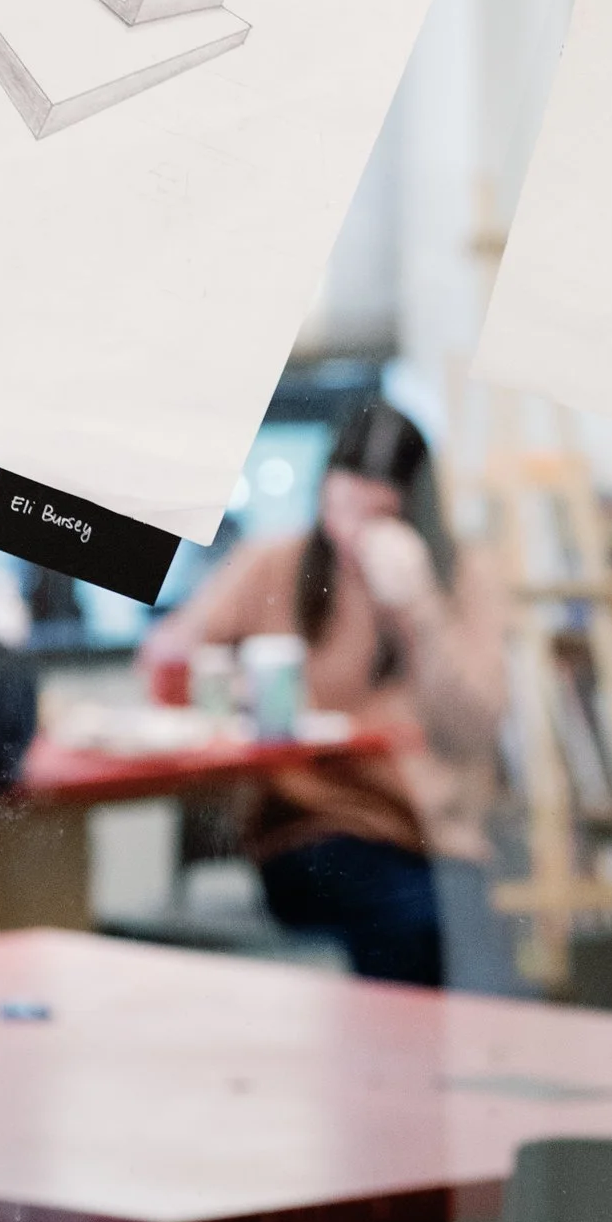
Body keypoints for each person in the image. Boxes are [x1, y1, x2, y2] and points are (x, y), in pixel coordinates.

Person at [151, 400, 510, 986]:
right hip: (314, 825)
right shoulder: (278, 563)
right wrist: (232, 688)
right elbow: (168, 652)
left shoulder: (461, 576)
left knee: (462, 930)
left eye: (378, 515)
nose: (351, 533)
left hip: (431, 834)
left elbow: (475, 724)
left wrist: (422, 610)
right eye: (340, 508)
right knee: (416, 923)